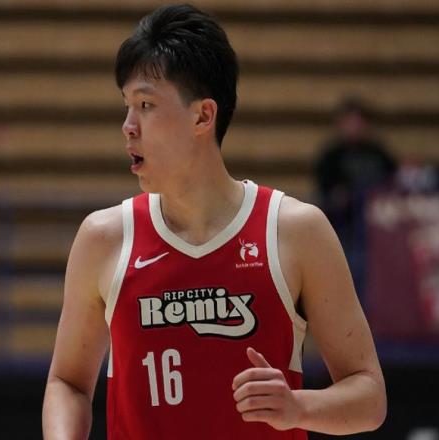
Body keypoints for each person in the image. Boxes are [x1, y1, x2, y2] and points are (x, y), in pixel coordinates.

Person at [42, 5, 386, 439]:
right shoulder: (104, 238)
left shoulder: (296, 231)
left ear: (203, 116)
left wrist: (300, 407)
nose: (128, 126)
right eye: (127, 106)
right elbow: (67, 383)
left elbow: (369, 396)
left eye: (145, 105)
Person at [315, 97, 397, 302]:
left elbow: (393, 182)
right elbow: (324, 190)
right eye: (349, 122)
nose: (354, 127)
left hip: (376, 224)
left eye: (358, 122)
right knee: (351, 263)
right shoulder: (332, 155)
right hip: (344, 224)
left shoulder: (377, 153)